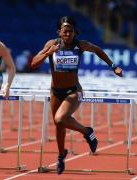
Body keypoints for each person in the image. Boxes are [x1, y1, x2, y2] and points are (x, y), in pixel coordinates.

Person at [30, 16, 123, 174]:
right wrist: (48, 53)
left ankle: (87, 132)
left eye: (71, 31)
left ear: (75, 32)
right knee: (59, 124)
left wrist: (113, 67)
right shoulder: (51, 44)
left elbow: (98, 50)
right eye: (65, 31)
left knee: (60, 118)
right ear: (59, 32)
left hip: (74, 91)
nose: (68, 35)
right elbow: (33, 64)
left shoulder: (80, 45)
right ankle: (61, 156)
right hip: (55, 91)